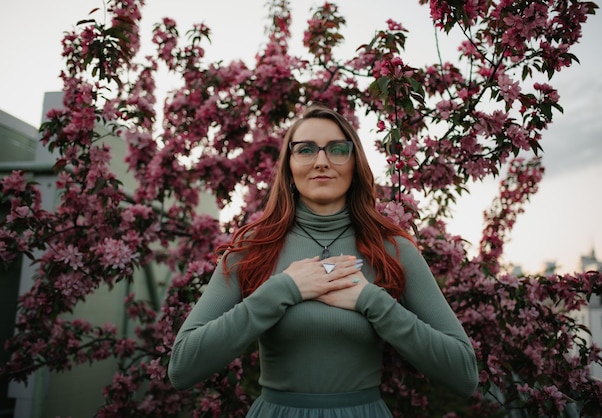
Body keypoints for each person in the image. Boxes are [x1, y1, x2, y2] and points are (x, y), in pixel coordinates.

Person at [168, 104, 479, 417]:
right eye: (305, 150)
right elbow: (182, 367)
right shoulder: (254, 249)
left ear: (355, 163)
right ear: (288, 166)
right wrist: (283, 289)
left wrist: (372, 301)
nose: (321, 161)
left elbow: (464, 374)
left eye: (337, 149)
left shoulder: (393, 249)